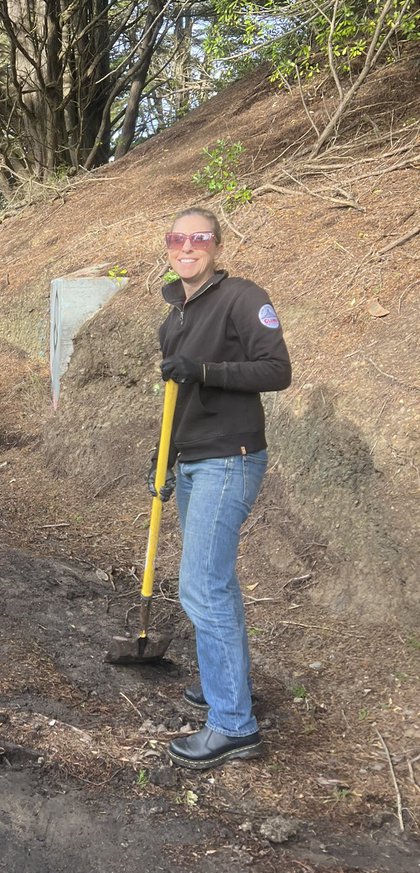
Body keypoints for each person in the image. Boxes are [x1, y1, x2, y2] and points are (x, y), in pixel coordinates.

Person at [150, 208, 291, 771]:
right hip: (191, 459)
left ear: (216, 245)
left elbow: (276, 370)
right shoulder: (175, 314)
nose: (188, 246)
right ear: (168, 247)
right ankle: (222, 686)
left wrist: (205, 369)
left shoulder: (241, 297)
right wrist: (162, 458)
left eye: (199, 238)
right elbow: (177, 401)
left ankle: (233, 725)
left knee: (202, 589)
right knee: (216, 584)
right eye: (178, 238)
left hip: (228, 460)